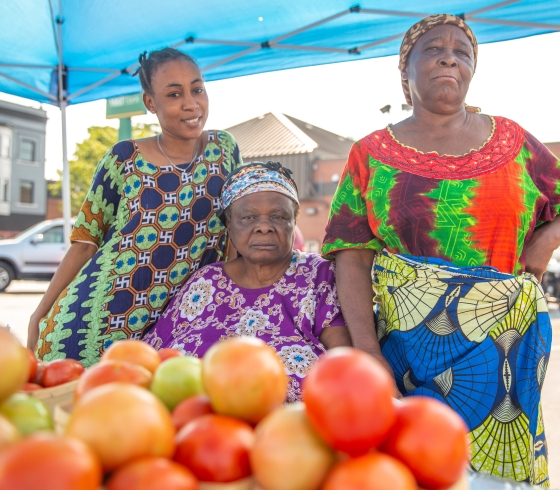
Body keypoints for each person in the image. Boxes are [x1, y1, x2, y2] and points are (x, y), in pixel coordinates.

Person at [322, 14, 559, 486]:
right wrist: (366, 347)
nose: (450, 55)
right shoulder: (368, 154)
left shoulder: (515, 143)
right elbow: (350, 253)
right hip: (407, 352)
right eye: (433, 49)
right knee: (414, 466)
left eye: (463, 51)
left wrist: (545, 242)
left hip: (504, 349)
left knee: (492, 478)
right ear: (404, 71)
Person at [28, 48, 242, 366]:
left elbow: (237, 233)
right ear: (150, 102)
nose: (190, 103)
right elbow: (85, 243)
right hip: (92, 327)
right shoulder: (124, 157)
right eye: (174, 94)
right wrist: (40, 313)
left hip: (177, 329)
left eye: (197, 89)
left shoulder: (224, 150)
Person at [144, 162, 351, 402]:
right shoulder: (205, 281)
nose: (264, 227)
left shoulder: (319, 275)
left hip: (288, 429)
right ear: (229, 226)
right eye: (248, 217)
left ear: (294, 223)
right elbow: (155, 360)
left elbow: (345, 369)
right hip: (194, 425)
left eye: (278, 216)